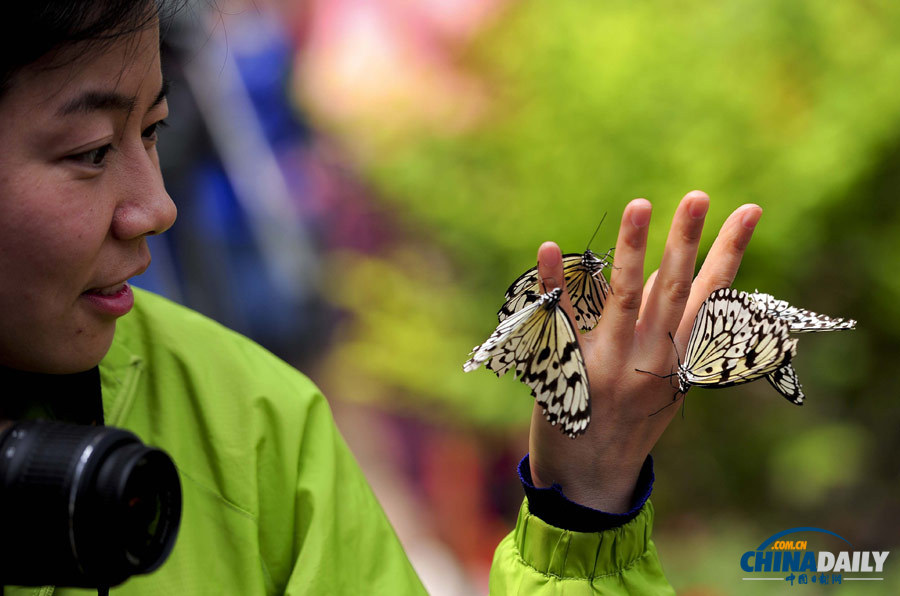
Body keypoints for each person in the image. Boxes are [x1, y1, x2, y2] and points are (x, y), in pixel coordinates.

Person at [0, 1, 762, 594]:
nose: (156, 206)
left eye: (156, 130)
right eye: (91, 151)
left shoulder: (253, 422)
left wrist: (585, 506)